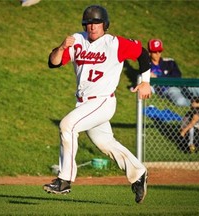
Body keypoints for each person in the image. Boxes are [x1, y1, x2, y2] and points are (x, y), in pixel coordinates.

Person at [43, 5, 152, 204]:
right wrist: (61, 47)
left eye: (96, 22)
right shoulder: (78, 40)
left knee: (67, 125)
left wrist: (145, 81)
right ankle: (138, 173)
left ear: (105, 24)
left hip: (103, 101)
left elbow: (142, 54)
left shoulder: (114, 43)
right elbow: (53, 62)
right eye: (88, 23)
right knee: (105, 143)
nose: (92, 27)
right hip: (84, 104)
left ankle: (65, 179)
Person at [148, 38, 199, 112]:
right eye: (155, 51)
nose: (158, 53)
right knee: (179, 101)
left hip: (179, 84)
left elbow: (177, 76)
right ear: (149, 52)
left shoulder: (169, 62)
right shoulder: (146, 65)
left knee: (195, 88)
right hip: (167, 89)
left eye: (160, 51)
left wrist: (157, 77)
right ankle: (197, 104)